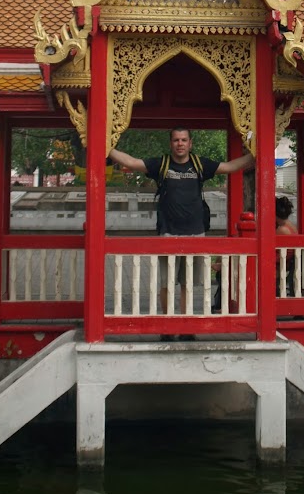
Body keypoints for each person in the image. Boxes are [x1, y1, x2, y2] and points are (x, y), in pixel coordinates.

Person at [108, 127, 255, 340]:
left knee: (189, 284)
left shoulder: (199, 164)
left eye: (184, 140)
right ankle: (168, 326)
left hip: (196, 234)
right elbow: (131, 162)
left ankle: (187, 326)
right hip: (168, 234)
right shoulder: (162, 164)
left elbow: (231, 166)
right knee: (166, 283)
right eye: (176, 140)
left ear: (190, 143)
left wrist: (256, 153)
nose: (180, 144)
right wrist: (107, 148)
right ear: (171, 143)